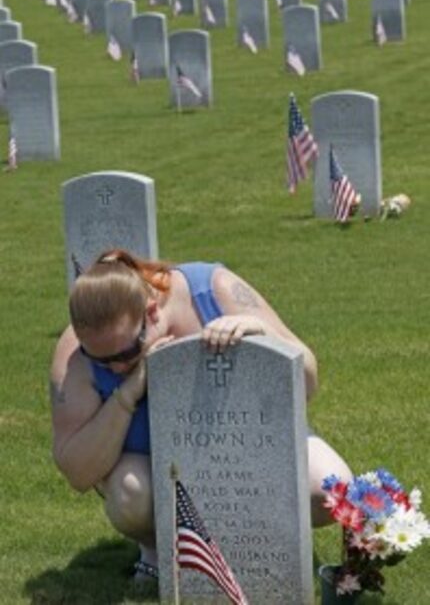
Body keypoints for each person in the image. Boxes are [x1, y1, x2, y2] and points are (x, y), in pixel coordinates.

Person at [50, 249, 352, 582]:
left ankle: (255, 544)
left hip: (252, 444)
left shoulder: (214, 289)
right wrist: (128, 393)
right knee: (129, 493)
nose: (117, 366)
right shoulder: (78, 351)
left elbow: (308, 381)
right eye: (102, 361)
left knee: (332, 490)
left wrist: (260, 334)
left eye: (127, 352)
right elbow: (77, 471)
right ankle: (155, 550)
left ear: (151, 312)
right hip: (155, 469)